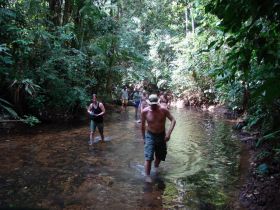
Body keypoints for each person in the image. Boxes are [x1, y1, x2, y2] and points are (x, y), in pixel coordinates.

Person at [141, 94, 176, 183]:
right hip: (150, 135)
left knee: (160, 155)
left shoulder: (163, 110)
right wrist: (144, 138)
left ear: (157, 103)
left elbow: (173, 120)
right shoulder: (145, 111)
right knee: (148, 156)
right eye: (151, 104)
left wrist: (168, 134)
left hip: (161, 135)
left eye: (154, 104)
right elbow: (142, 126)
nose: (153, 106)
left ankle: (156, 167)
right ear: (148, 103)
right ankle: (147, 176)